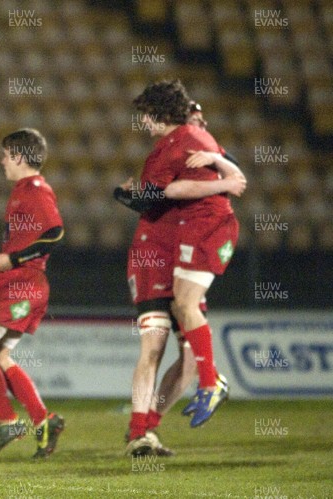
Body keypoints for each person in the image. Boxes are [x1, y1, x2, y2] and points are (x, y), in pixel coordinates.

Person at [115, 88, 245, 456]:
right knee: (153, 344)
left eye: (145, 114)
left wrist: (225, 171)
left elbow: (229, 174)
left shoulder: (193, 145)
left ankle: (148, 427)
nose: (202, 125)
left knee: (189, 356)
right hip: (153, 253)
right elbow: (156, 199)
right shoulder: (170, 150)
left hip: (184, 251)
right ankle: (139, 430)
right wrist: (125, 195)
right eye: (196, 119)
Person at [0, 128, 65, 459]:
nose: (1, 161)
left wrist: (14, 258)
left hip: (21, 282)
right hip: (17, 282)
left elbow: (56, 232)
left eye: (5, 154)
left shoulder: (36, 189)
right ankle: (44, 420)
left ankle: (8, 420)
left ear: (19, 157)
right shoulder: (23, 190)